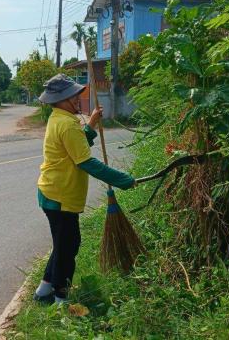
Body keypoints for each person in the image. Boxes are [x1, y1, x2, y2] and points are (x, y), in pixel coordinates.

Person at [34, 74, 135, 305]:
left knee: (64, 244)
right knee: (68, 248)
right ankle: (61, 297)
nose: (78, 99)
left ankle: (43, 291)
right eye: (73, 96)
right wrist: (124, 180)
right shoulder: (67, 124)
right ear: (60, 99)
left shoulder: (58, 119)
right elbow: (85, 161)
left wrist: (90, 125)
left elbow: (76, 145)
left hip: (54, 193)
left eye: (77, 95)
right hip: (59, 195)